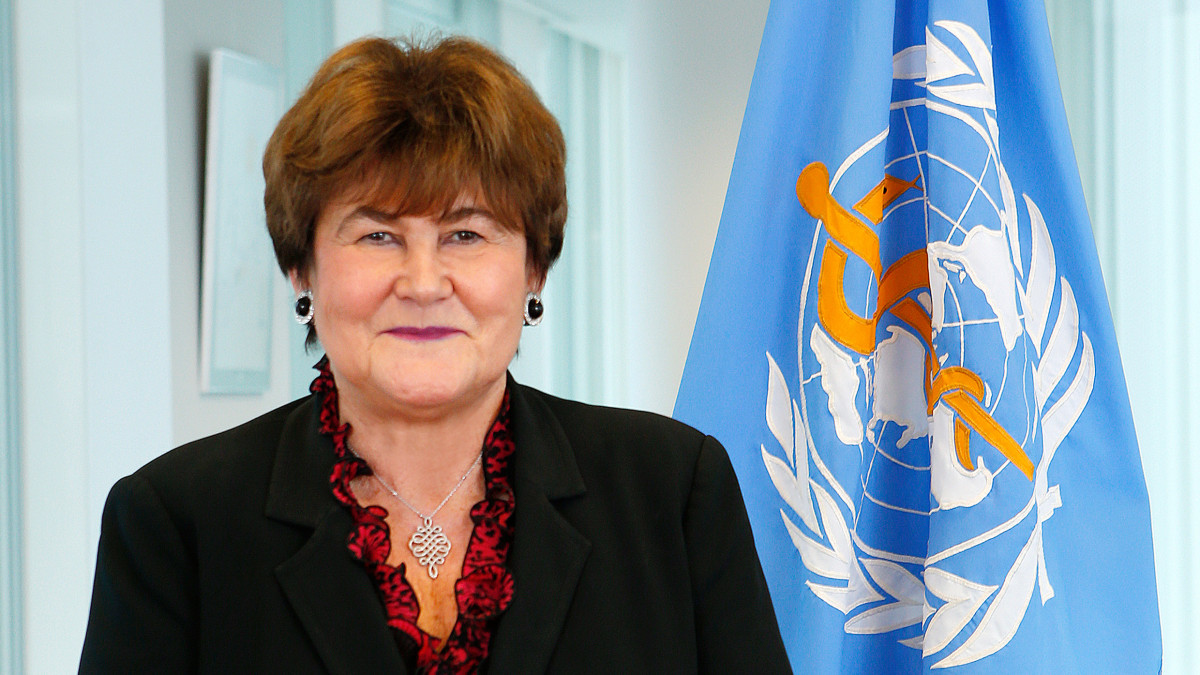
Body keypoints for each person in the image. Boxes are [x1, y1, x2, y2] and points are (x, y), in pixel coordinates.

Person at [79, 35, 790, 674]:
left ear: (535, 267)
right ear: (301, 267)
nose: (423, 283)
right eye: (377, 235)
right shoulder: (175, 523)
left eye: (467, 234)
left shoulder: (672, 489)